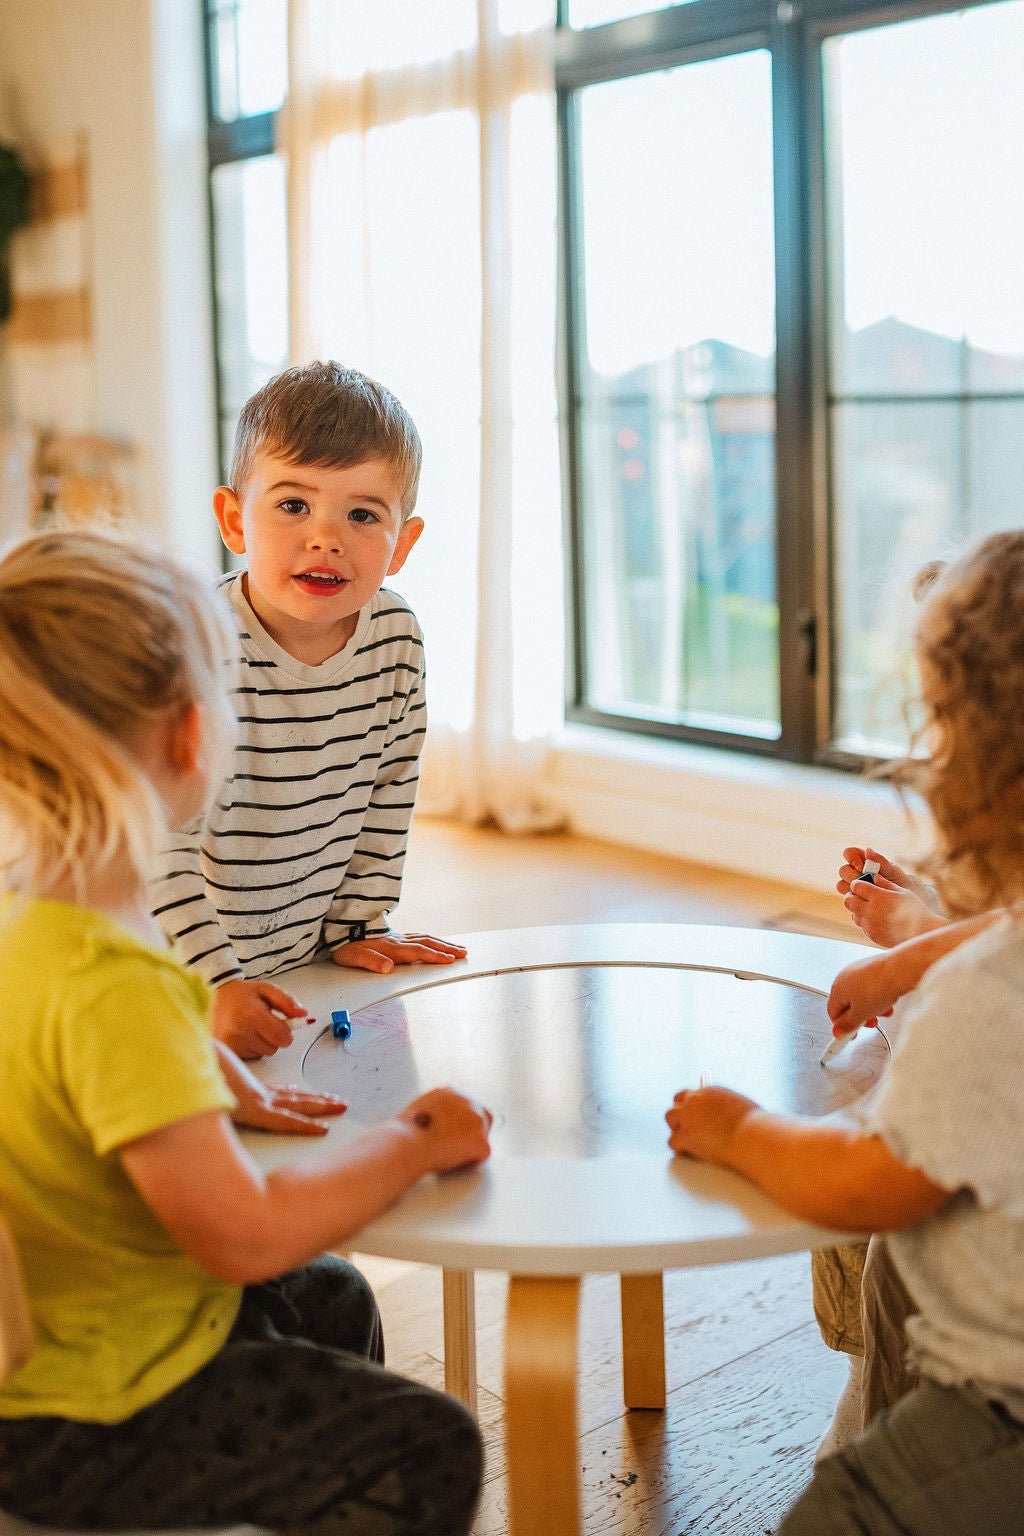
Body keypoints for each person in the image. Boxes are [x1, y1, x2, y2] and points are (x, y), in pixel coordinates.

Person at [0, 530, 491, 1536]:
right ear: (192, 738)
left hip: (77, 1322)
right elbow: (239, 1234)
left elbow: (68, 1072)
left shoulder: (45, 918)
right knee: (429, 1442)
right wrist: (413, 1142)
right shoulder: (110, 982)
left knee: (332, 1297)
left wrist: (210, 1070)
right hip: (96, 1410)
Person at [667, 529, 1024, 1534]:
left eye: (941, 728)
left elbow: (862, 1180)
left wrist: (738, 1128)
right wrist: (911, 940)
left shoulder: (986, 1003)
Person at [151, 362, 466, 1060]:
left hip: (297, 959)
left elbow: (390, 788)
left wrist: (359, 924)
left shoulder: (396, 637)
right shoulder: (197, 646)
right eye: (293, 505)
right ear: (235, 519)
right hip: (169, 975)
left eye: (361, 514)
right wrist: (213, 982)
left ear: (402, 544)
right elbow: (157, 844)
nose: (326, 537)